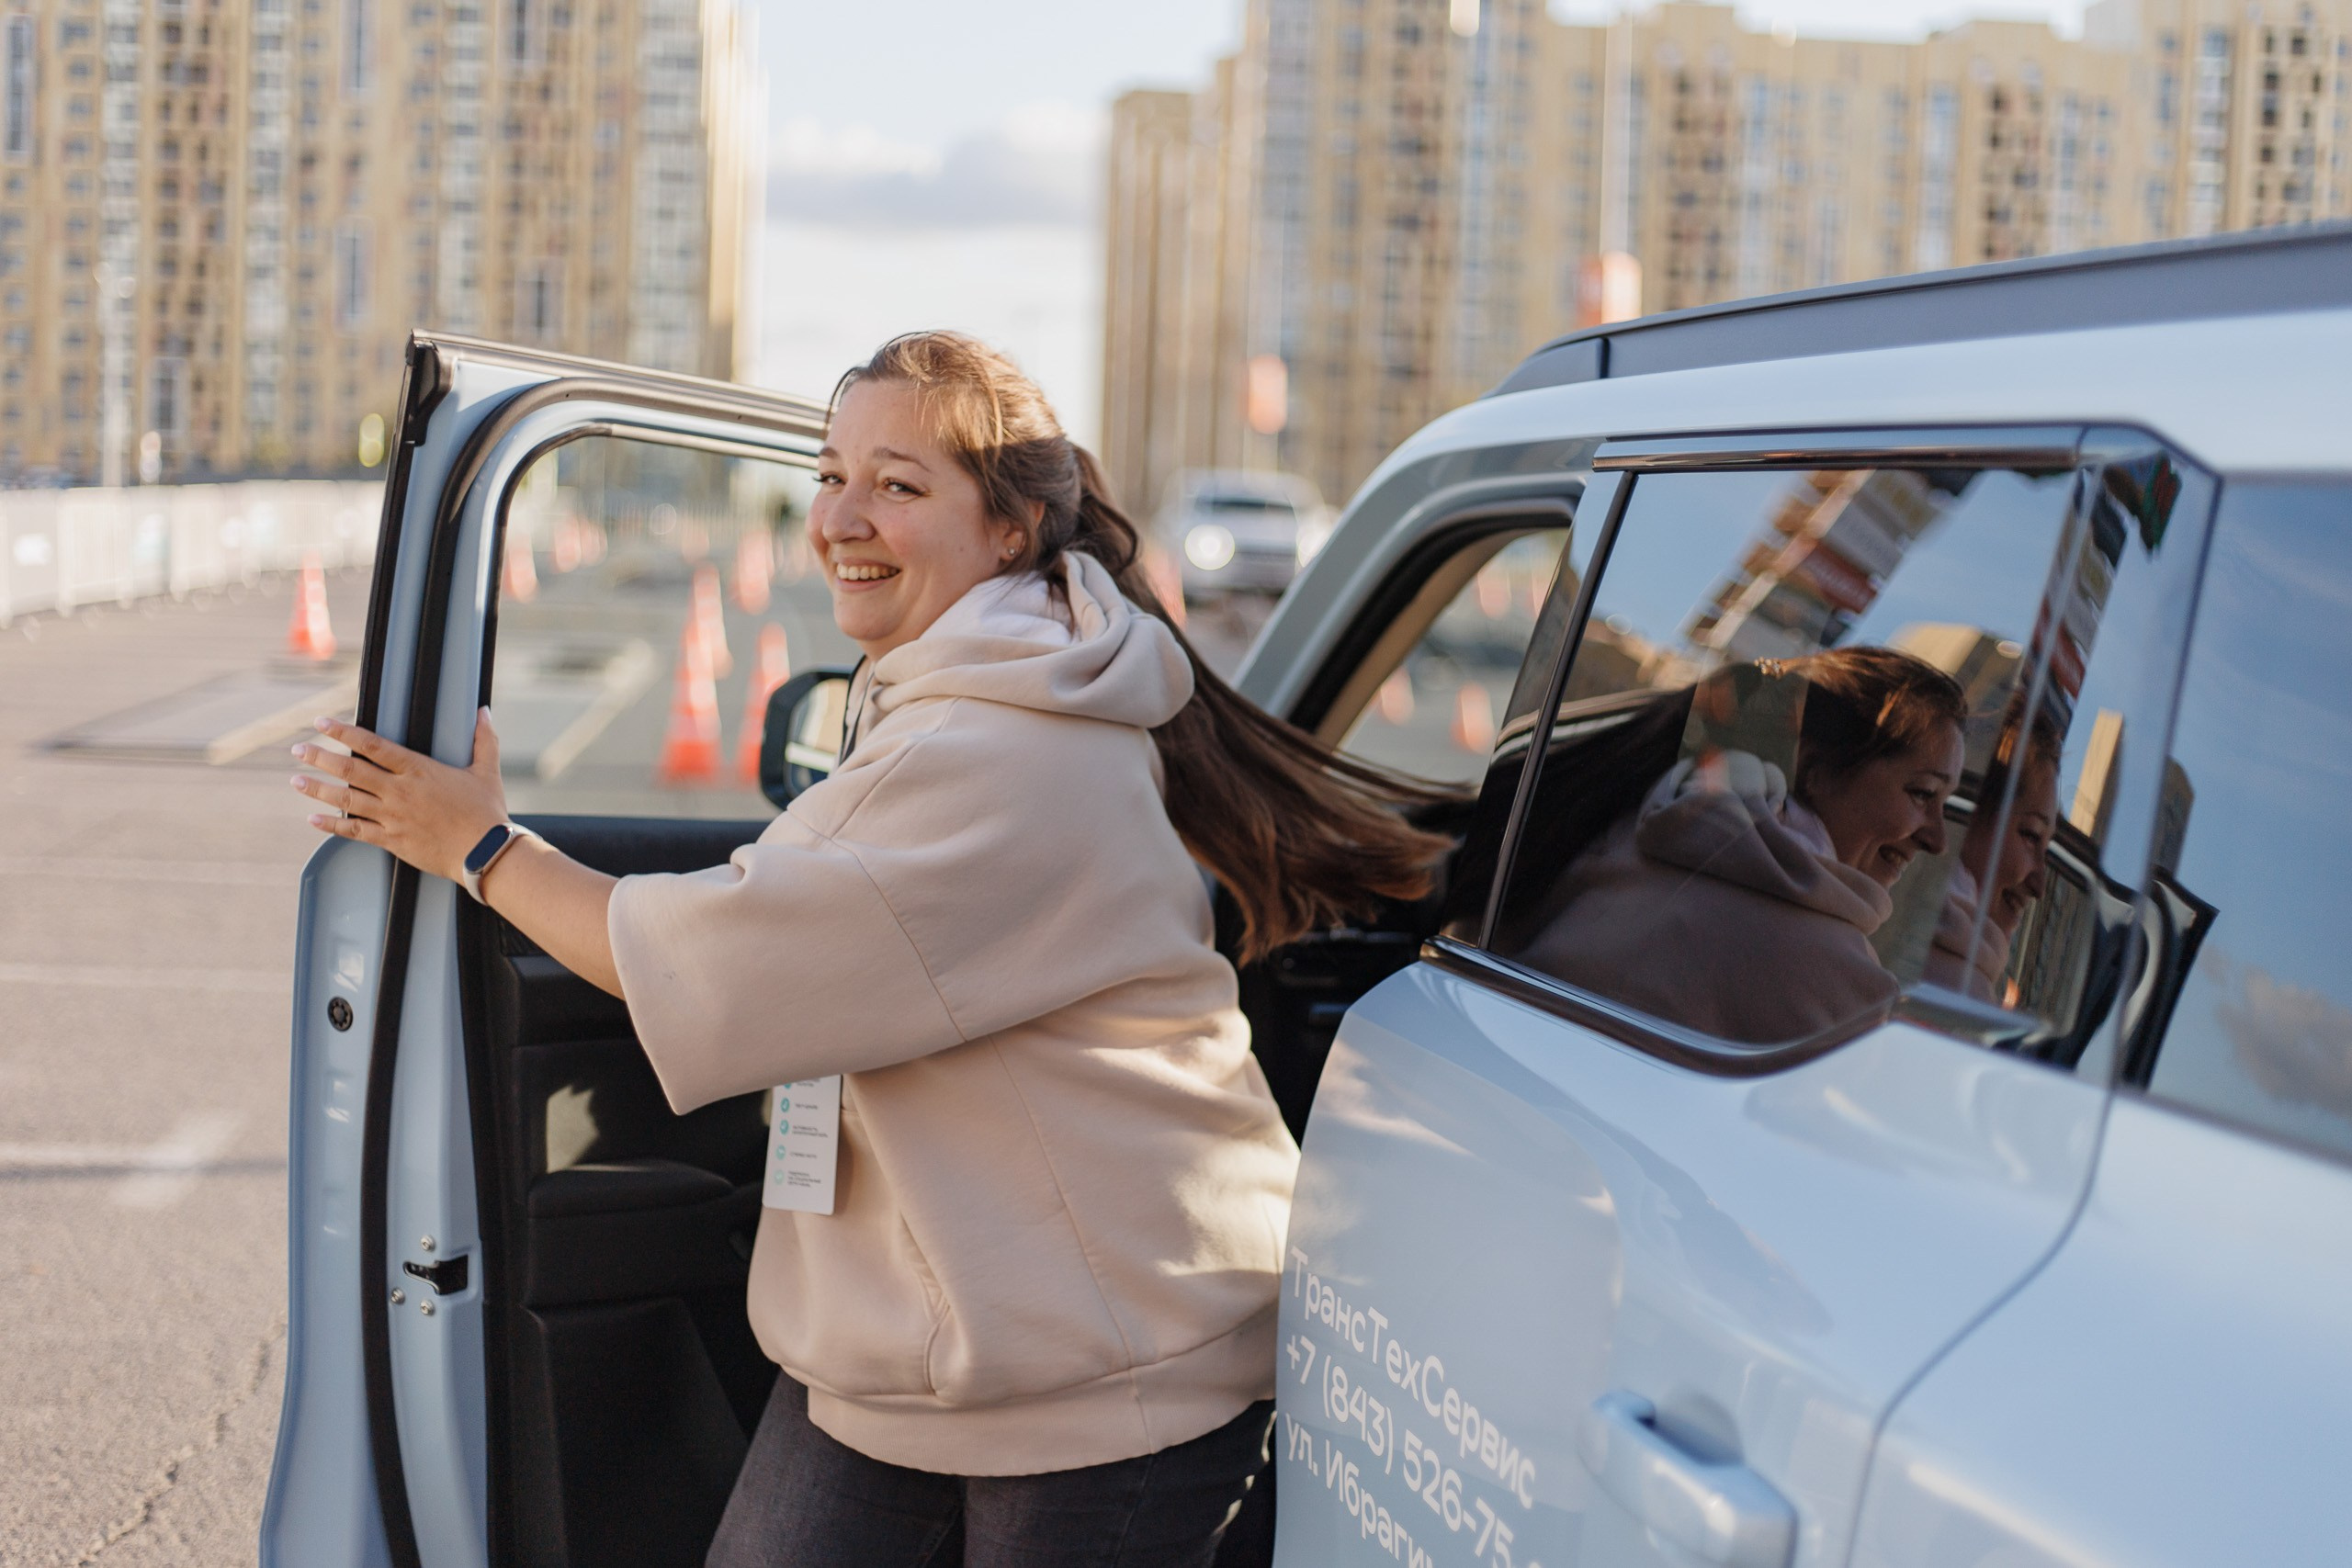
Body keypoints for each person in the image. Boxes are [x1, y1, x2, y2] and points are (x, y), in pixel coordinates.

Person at [288, 331, 1451, 1566]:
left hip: (1107, 1380)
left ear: (1008, 531)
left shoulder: (1006, 752)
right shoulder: (980, 687)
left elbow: (713, 957)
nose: (841, 515)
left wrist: (479, 847)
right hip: (917, 1354)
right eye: (830, 473)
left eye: (898, 485)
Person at [1502, 648, 1968, 1043]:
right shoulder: (1824, 968)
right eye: (1923, 793)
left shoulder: (1622, 827)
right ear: (1815, 769)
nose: (1938, 838)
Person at [1928, 708, 2063, 1000]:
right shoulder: (1954, 987)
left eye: (2047, 848)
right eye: (2030, 835)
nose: (2040, 885)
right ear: (1964, 817)